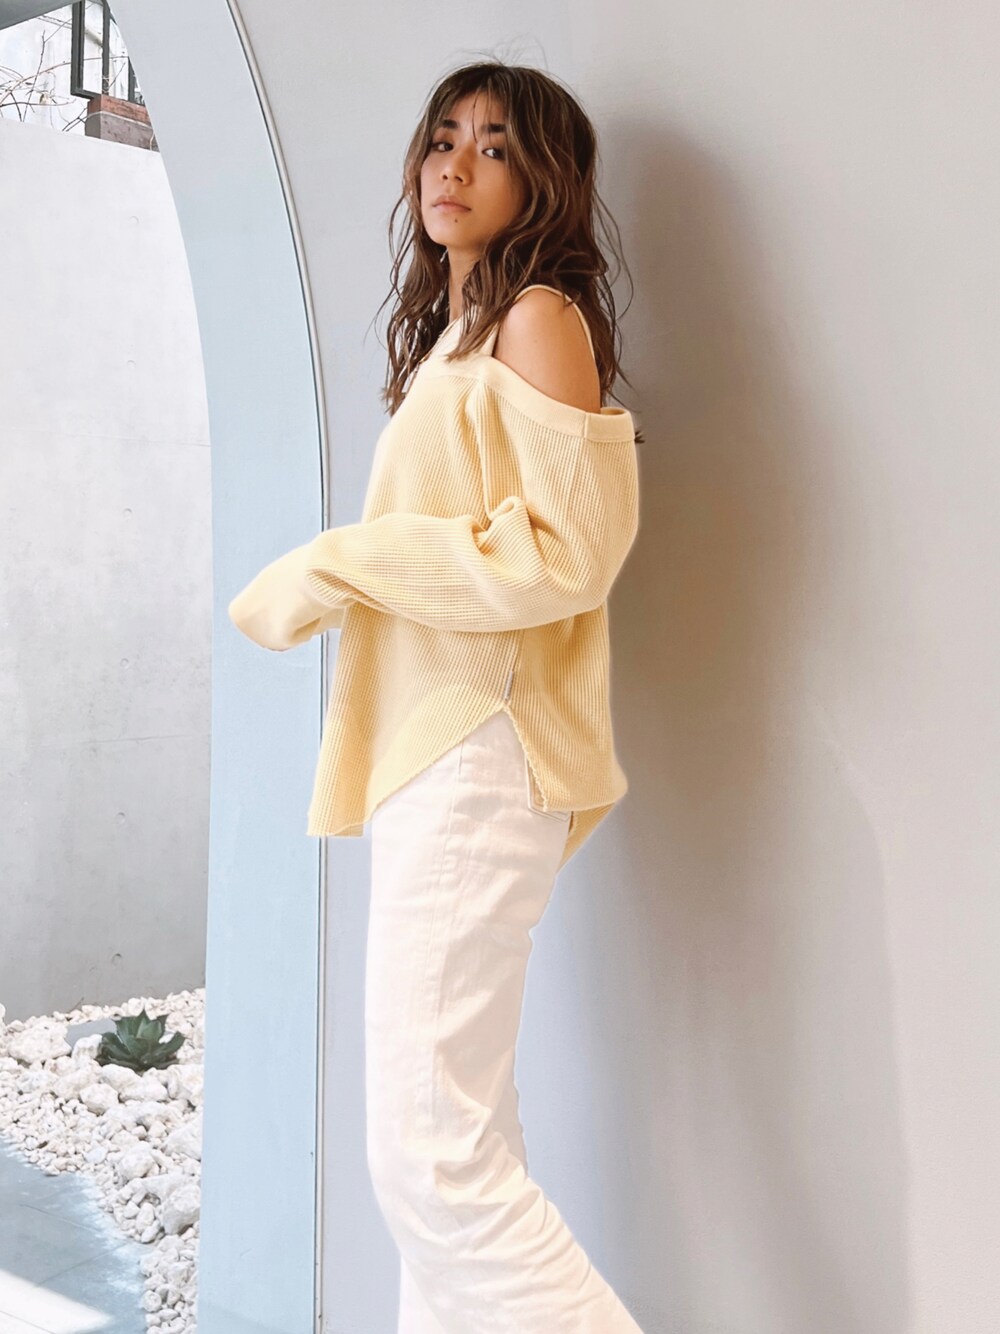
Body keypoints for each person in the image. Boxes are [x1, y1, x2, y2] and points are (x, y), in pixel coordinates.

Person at [229, 58, 644, 1334]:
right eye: (443, 136)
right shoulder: (457, 340)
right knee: (457, 1143)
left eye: (496, 145)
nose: (454, 164)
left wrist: (337, 561)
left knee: (430, 1159)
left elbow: (564, 556)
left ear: (544, 180)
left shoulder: (539, 318)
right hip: (438, 754)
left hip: (480, 748)